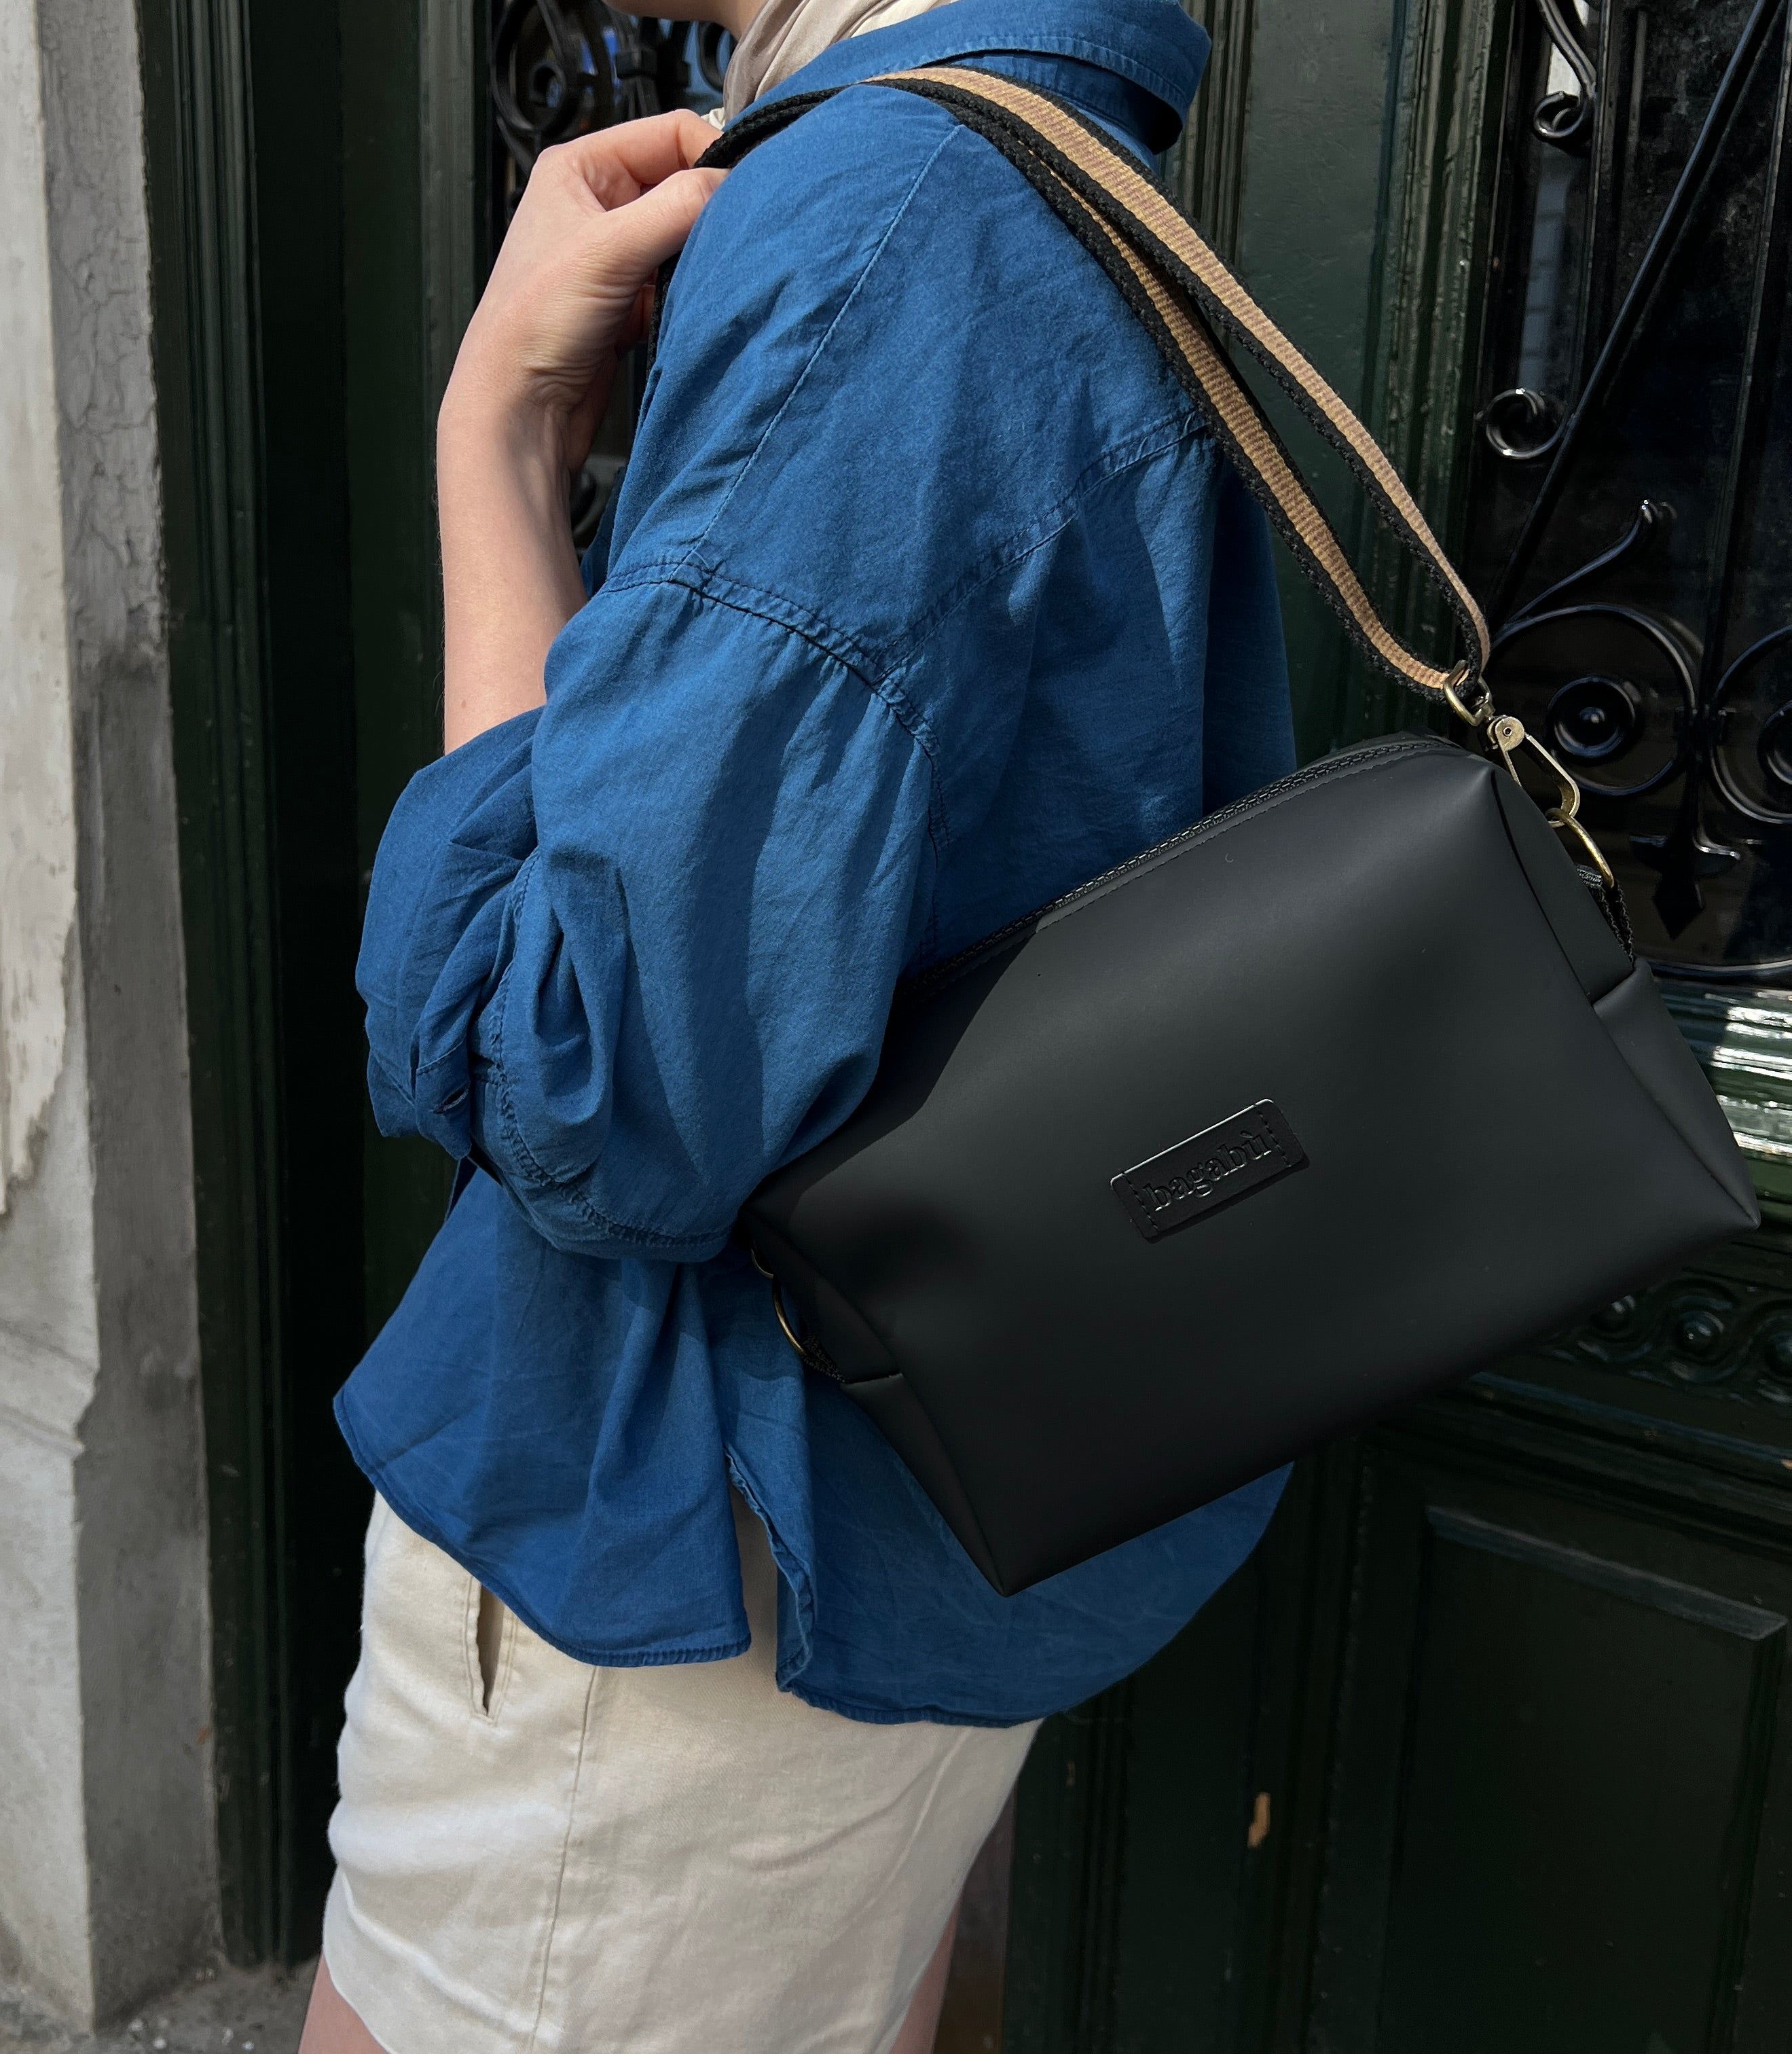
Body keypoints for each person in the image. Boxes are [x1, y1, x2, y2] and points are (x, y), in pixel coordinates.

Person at [299, 0, 1295, 2048]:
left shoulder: (890, 214)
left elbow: (589, 1086)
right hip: (897, 1498)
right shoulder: (1055, 173)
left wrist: (496, 443)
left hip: (678, 1561)